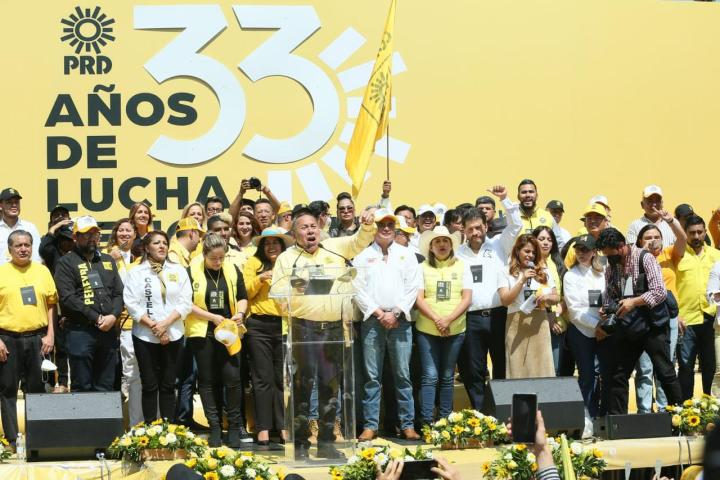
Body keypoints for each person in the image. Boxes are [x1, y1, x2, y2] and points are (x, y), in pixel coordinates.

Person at [270, 205, 376, 459]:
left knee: (330, 389)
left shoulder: (334, 247)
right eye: (304, 227)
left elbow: (359, 241)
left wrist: (367, 225)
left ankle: (327, 444)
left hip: (334, 330)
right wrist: (297, 287)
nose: (310, 231)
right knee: (302, 389)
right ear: (294, 233)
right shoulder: (287, 258)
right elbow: (277, 294)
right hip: (303, 328)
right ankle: (300, 445)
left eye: (313, 226)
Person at [595, 228, 682, 413]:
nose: (609, 259)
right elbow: (610, 294)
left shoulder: (645, 258)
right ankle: (618, 421)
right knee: (619, 375)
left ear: (621, 246)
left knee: (665, 371)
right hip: (627, 327)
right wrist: (607, 308)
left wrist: (634, 302)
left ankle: (680, 416)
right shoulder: (611, 267)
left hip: (652, 326)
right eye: (606, 255)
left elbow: (659, 292)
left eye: (611, 255)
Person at [353, 209, 421, 441]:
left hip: (400, 321)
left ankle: (407, 425)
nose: (386, 228)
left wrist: (396, 312)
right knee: (372, 377)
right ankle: (370, 425)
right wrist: (379, 312)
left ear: (395, 228)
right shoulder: (362, 256)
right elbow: (357, 289)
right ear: (375, 227)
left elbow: (413, 287)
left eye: (390, 225)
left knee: (403, 375)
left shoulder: (407, 254)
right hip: (373, 321)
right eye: (382, 224)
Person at [456, 186, 521, 411]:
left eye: (479, 227)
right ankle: (482, 416)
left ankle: (501, 412)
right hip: (470, 318)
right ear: (464, 230)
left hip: (498, 316)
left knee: (502, 366)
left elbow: (516, 225)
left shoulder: (499, 245)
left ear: (486, 226)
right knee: (473, 370)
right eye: (470, 229)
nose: (475, 232)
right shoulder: (457, 255)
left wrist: (505, 199)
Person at [186, 233, 248, 447]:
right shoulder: (191, 270)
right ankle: (214, 426)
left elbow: (242, 296)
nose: (218, 262)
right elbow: (185, 302)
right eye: (213, 258)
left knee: (233, 379)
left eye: (221, 258)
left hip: (229, 331)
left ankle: (234, 426)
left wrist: (240, 313)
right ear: (204, 254)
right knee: (207, 380)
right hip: (204, 331)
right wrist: (211, 317)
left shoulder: (232, 269)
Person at [123, 230, 192, 422]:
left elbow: (186, 302)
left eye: (164, 243)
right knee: (149, 385)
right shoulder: (136, 272)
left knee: (168, 385)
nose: (162, 246)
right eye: (156, 243)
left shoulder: (178, 270)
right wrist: (155, 326)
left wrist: (166, 324)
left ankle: (168, 429)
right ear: (146, 248)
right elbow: (131, 304)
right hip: (145, 335)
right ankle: (150, 429)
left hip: (174, 333)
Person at [54, 216, 124, 392]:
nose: (92, 238)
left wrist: (113, 316)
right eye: (86, 234)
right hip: (80, 331)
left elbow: (119, 293)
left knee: (106, 386)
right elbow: (68, 298)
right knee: (82, 386)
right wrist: (96, 317)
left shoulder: (107, 260)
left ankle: (105, 413)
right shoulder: (66, 262)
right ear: (75, 237)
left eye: (95, 234)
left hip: (107, 332)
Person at [0, 231, 57, 445]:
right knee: (7, 390)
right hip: (7, 340)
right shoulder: (1, 272)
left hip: (38, 340)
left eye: (27, 245)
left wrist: (50, 335)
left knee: (38, 390)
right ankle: (12, 441)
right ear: (10, 249)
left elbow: (51, 304)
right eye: (18, 245)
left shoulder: (43, 271)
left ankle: (39, 441)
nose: (23, 249)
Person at [414, 226, 472, 425]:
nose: (442, 244)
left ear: (451, 245)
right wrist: (438, 320)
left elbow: (467, 298)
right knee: (430, 376)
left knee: (447, 376)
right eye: (437, 241)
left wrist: (448, 320)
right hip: (427, 330)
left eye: (445, 241)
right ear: (430, 247)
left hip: (455, 330)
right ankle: (427, 422)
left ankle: (445, 422)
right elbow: (419, 299)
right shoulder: (422, 267)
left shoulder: (462, 266)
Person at [244, 227, 293, 446]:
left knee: (282, 379)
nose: (271, 246)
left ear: (282, 246)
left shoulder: (289, 263)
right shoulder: (253, 263)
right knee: (262, 378)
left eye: (276, 242)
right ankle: (263, 427)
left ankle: (282, 426)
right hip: (258, 326)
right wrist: (260, 278)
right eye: (267, 243)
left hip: (283, 325)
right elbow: (244, 292)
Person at [633, 209, 685, 413]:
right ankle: (644, 411)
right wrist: (643, 254)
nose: (653, 241)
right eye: (648, 238)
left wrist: (671, 221)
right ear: (639, 241)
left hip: (667, 317)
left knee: (665, 366)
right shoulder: (635, 259)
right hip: (643, 318)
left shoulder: (669, 254)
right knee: (645, 368)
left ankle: (666, 410)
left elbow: (682, 239)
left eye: (656, 237)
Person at [563, 235, 612, 418]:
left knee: (606, 374)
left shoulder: (604, 271)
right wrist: (596, 325)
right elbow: (574, 311)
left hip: (604, 331)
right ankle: (586, 417)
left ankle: (604, 415)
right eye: (578, 250)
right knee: (587, 375)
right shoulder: (570, 275)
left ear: (594, 252)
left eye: (585, 250)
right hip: (582, 331)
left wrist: (605, 324)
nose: (581, 253)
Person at [499, 234, 559, 378]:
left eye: (533, 252)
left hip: (540, 323)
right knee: (517, 369)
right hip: (516, 322)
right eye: (527, 251)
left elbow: (556, 297)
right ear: (517, 251)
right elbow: (505, 300)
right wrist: (522, 280)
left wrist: (547, 298)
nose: (530, 255)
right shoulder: (505, 271)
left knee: (542, 368)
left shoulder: (544, 272)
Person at [676, 215, 720, 398]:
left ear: (705, 232)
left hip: (712, 318)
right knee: (685, 367)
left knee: (711, 366)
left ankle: (710, 405)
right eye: (692, 232)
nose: (696, 236)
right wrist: (676, 315)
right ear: (685, 233)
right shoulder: (678, 254)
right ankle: (686, 408)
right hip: (686, 319)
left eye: (699, 232)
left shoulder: (716, 255)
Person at [105, 218, 143, 426]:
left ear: (135, 235)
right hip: (113, 323)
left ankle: (138, 423)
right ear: (115, 234)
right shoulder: (106, 256)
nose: (125, 234)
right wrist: (109, 259)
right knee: (121, 374)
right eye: (121, 230)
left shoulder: (142, 257)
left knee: (136, 374)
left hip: (138, 323)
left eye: (129, 231)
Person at [532, 226, 571, 376]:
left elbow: (566, 295)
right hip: (536, 322)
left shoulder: (558, 263)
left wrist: (556, 314)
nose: (546, 243)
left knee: (555, 370)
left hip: (558, 323)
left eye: (549, 239)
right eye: (541, 239)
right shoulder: (529, 264)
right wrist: (548, 317)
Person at [0, 188, 42, 265]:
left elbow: (37, 257)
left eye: (16, 202)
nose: (14, 205)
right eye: (9, 202)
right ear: (1, 205)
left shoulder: (30, 228)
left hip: (26, 272)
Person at [563, 204, 609, 268]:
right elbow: (567, 269)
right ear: (585, 223)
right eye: (589, 218)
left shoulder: (611, 244)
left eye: (597, 218)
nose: (593, 221)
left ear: (606, 221)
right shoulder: (576, 246)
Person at [39, 206, 74, 274]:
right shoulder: (47, 240)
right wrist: (54, 228)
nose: (60, 217)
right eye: (56, 215)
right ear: (51, 223)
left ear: (69, 219)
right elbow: (43, 249)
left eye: (64, 215)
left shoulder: (76, 234)